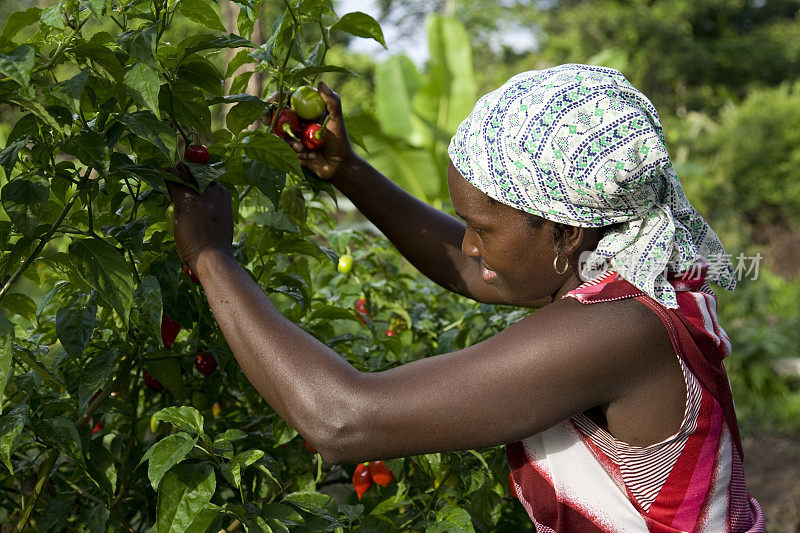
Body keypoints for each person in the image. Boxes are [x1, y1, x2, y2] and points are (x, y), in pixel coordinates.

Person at [168, 64, 764, 531]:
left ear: (565, 229)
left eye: (482, 225)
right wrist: (347, 171)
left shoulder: (615, 331)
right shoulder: (628, 270)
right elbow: (472, 268)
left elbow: (343, 420)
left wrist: (210, 255)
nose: (471, 246)